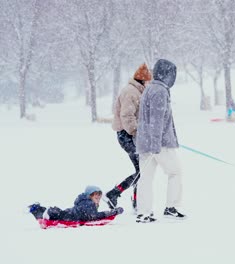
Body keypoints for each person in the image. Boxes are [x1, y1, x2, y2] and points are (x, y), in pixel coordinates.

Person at [134, 59, 186, 223]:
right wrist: (155, 144)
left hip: (144, 143)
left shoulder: (150, 88)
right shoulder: (160, 91)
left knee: (146, 178)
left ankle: (144, 212)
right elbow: (156, 120)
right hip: (159, 145)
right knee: (175, 172)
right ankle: (171, 207)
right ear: (166, 74)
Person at [106, 63, 152, 211]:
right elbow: (126, 116)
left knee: (142, 168)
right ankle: (114, 193)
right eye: (149, 81)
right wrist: (137, 131)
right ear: (143, 80)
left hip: (130, 134)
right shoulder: (131, 92)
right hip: (126, 135)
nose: (150, 84)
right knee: (142, 169)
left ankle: (136, 201)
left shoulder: (137, 91)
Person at [28, 186, 124, 222]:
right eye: (96, 194)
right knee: (57, 215)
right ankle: (41, 212)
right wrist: (113, 212)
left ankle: (38, 209)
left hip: (70, 213)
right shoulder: (89, 204)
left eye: (99, 195)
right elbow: (93, 216)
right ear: (89, 195)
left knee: (59, 213)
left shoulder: (86, 202)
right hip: (71, 216)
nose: (98, 197)